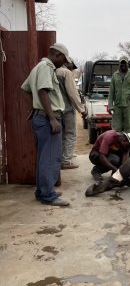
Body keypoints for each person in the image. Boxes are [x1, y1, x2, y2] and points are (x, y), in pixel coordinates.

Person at [21, 43, 72, 206]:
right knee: (50, 158)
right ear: (57, 55)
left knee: (44, 157)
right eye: (63, 60)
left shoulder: (38, 67)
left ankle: (42, 191)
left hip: (42, 117)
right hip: (48, 119)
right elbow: (43, 90)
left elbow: (26, 88)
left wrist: (35, 106)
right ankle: (48, 195)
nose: (63, 63)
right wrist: (51, 118)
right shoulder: (46, 67)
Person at [56, 59, 87, 170]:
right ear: (68, 63)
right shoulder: (66, 73)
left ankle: (61, 158)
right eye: (72, 66)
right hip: (67, 109)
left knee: (61, 135)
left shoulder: (54, 71)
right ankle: (66, 161)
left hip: (56, 109)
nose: (72, 69)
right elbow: (73, 94)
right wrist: (82, 109)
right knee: (70, 134)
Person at [108, 56, 130, 133]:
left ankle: (127, 144)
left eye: (125, 63)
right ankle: (116, 144)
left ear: (128, 64)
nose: (123, 65)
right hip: (117, 106)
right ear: (119, 64)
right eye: (121, 63)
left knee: (128, 128)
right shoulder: (115, 75)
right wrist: (110, 106)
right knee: (116, 129)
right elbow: (111, 92)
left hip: (129, 105)